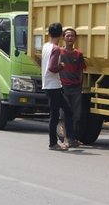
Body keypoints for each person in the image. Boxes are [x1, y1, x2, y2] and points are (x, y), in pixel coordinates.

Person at [41, 22, 75, 151]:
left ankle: (68, 137)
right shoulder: (56, 49)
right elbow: (52, 67)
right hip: (53, 85)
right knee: (55, 115)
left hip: (49, 84)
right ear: (61, 35)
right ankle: (53, 143)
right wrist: (61, 66)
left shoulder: (46, 46)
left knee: (67, 110)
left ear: (49, 33)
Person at [59, 28, 87, 147]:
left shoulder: (78, 54)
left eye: (72, 36)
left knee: (76, 114)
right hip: (63, 87)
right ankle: (65, 138)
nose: (70, 38)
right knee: (65, 114)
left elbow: (81, 71)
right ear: (63, 38)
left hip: (75, 88)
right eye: (68, 36)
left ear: (75, 38)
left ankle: (73, 138)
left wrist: (79, 85)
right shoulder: (59, 52)